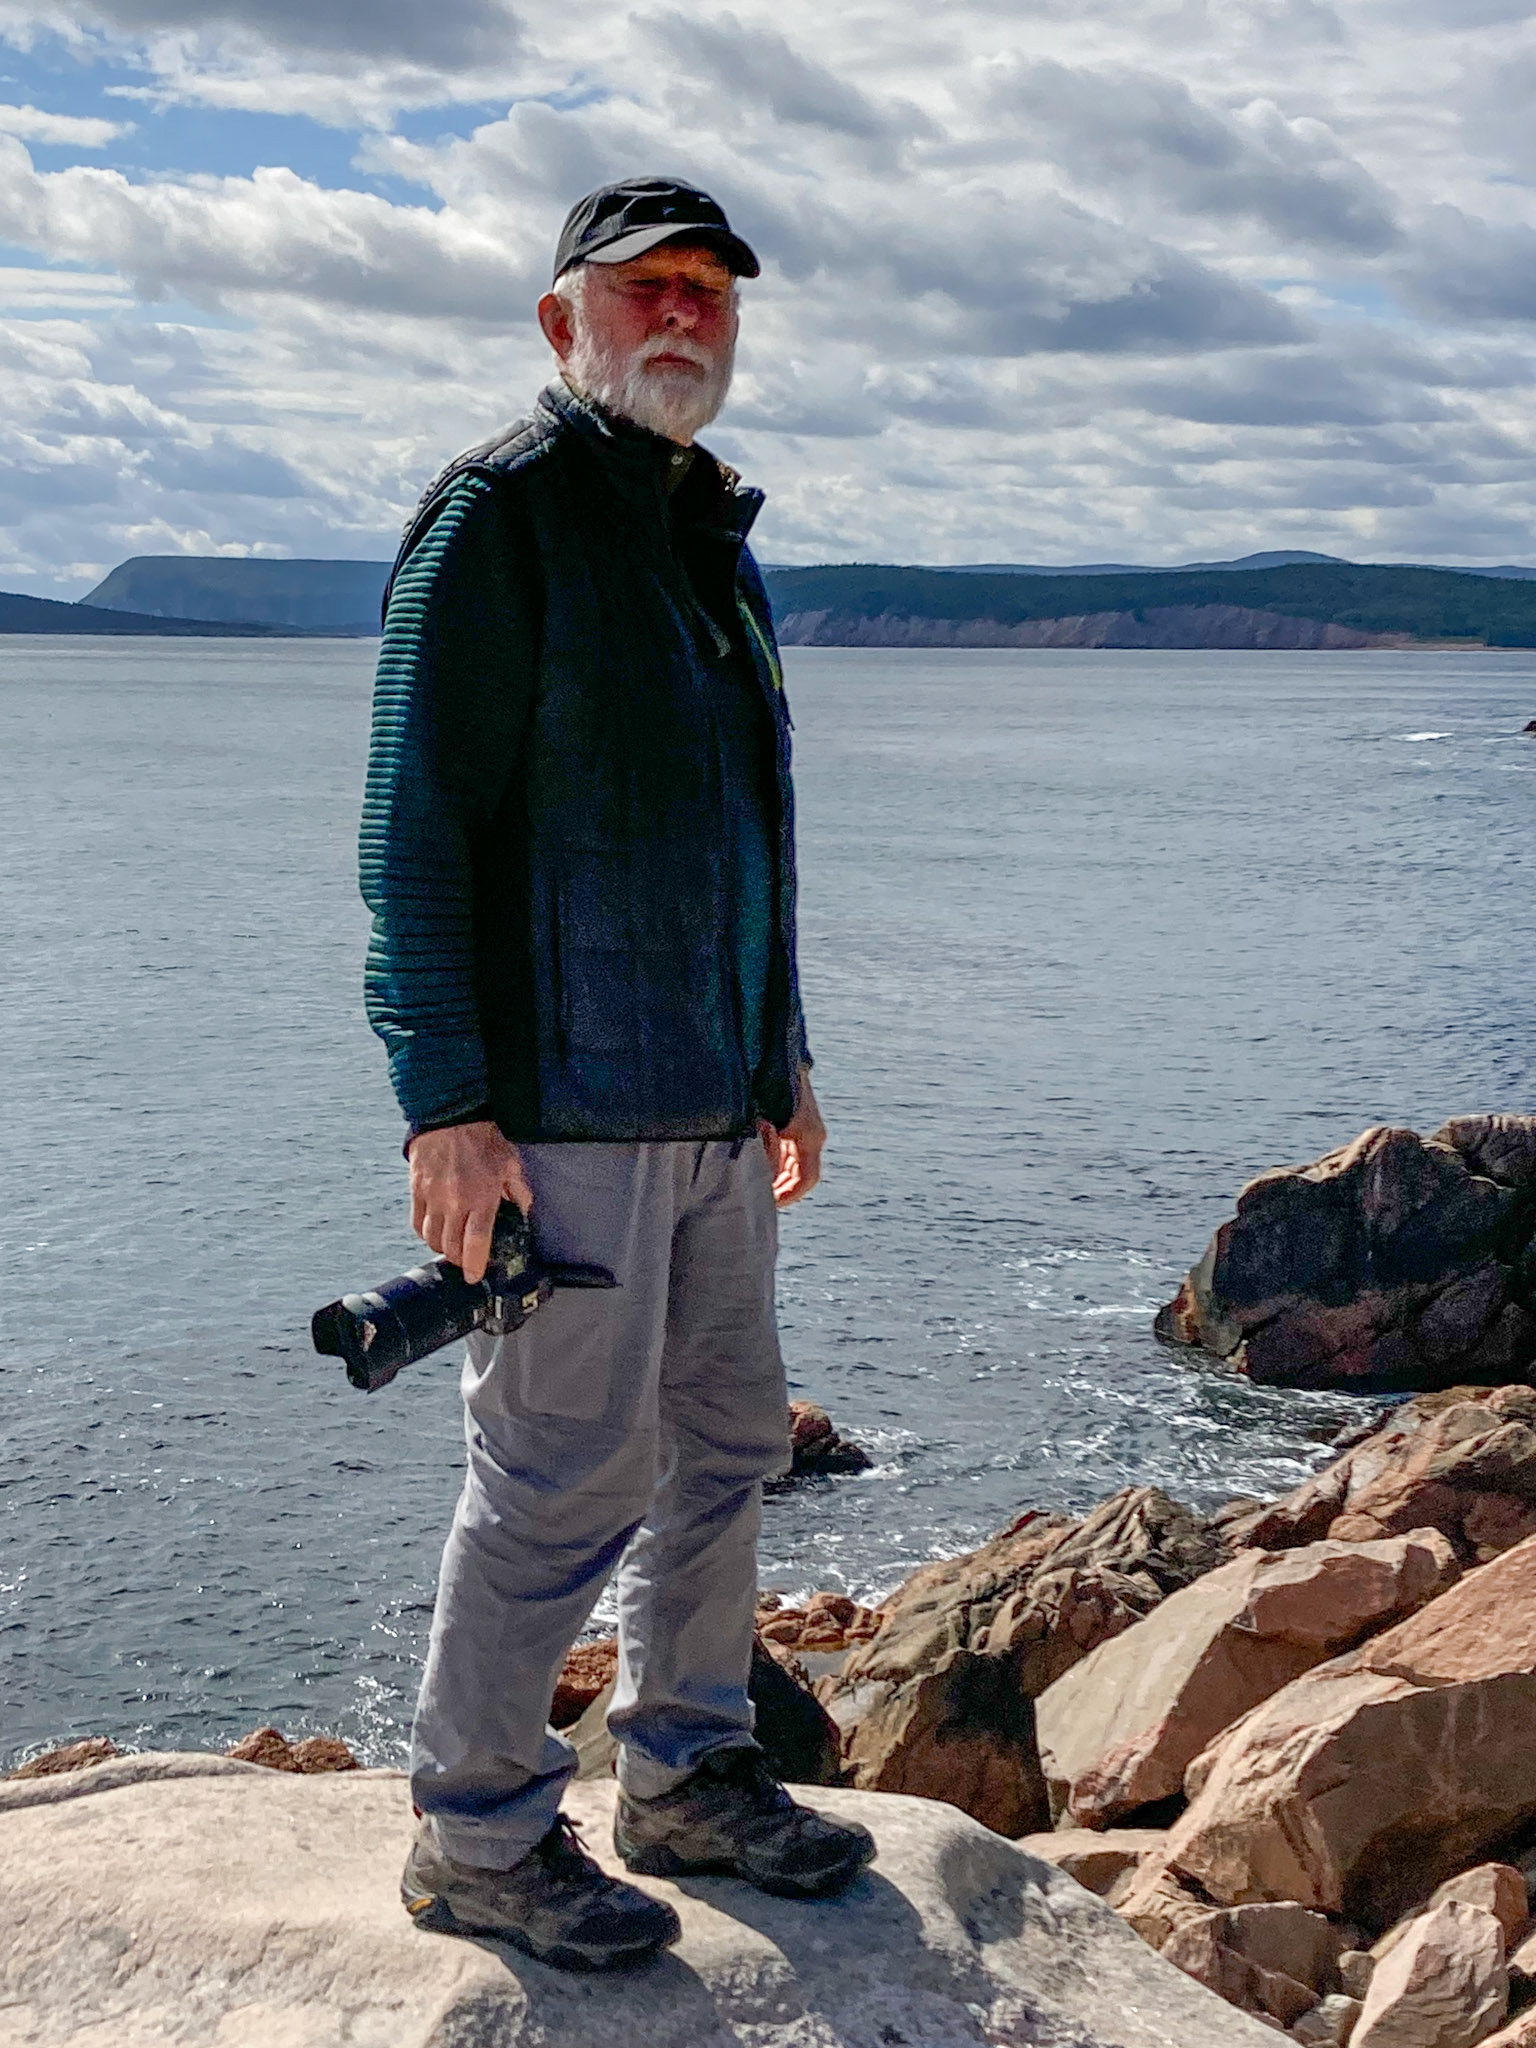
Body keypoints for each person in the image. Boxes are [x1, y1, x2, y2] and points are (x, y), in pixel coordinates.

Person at [358, 175, 875, 1972]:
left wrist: (779, 1055)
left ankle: (686, 1773)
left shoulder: (700, 531)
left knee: (727, 1443)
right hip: (560, 1114)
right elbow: (413, 834)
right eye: (646, 288)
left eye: (710, 295)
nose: (684, 317)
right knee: (560, 1473)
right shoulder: (501, 519)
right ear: (559, 321)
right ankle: (480, 1834)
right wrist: (445, 1099)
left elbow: (748, 831)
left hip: (712, 1106)